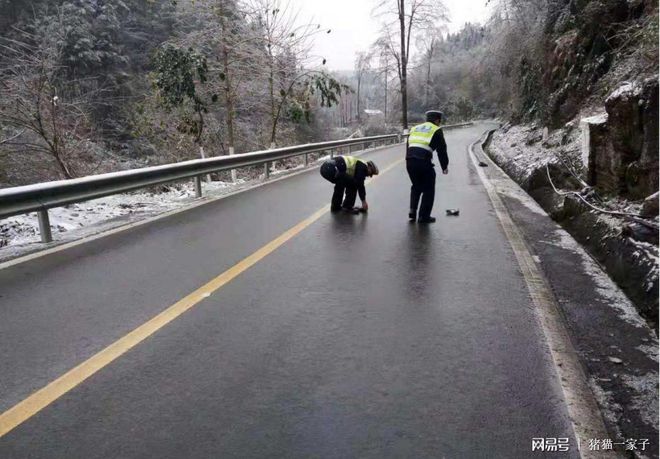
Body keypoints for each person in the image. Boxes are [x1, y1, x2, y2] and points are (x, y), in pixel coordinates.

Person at [406, 110, 448, 223]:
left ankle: (412, 212)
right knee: (429, 188)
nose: (439, 123)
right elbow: (442, 150)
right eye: (439, 121)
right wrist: (445, 166)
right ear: (437, 120)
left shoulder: (415, 128)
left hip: (409, 161)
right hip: (423, 161)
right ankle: (423, 216)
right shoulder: (436, 130)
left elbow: (408, 145)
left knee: (416, 185)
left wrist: (408, 161)